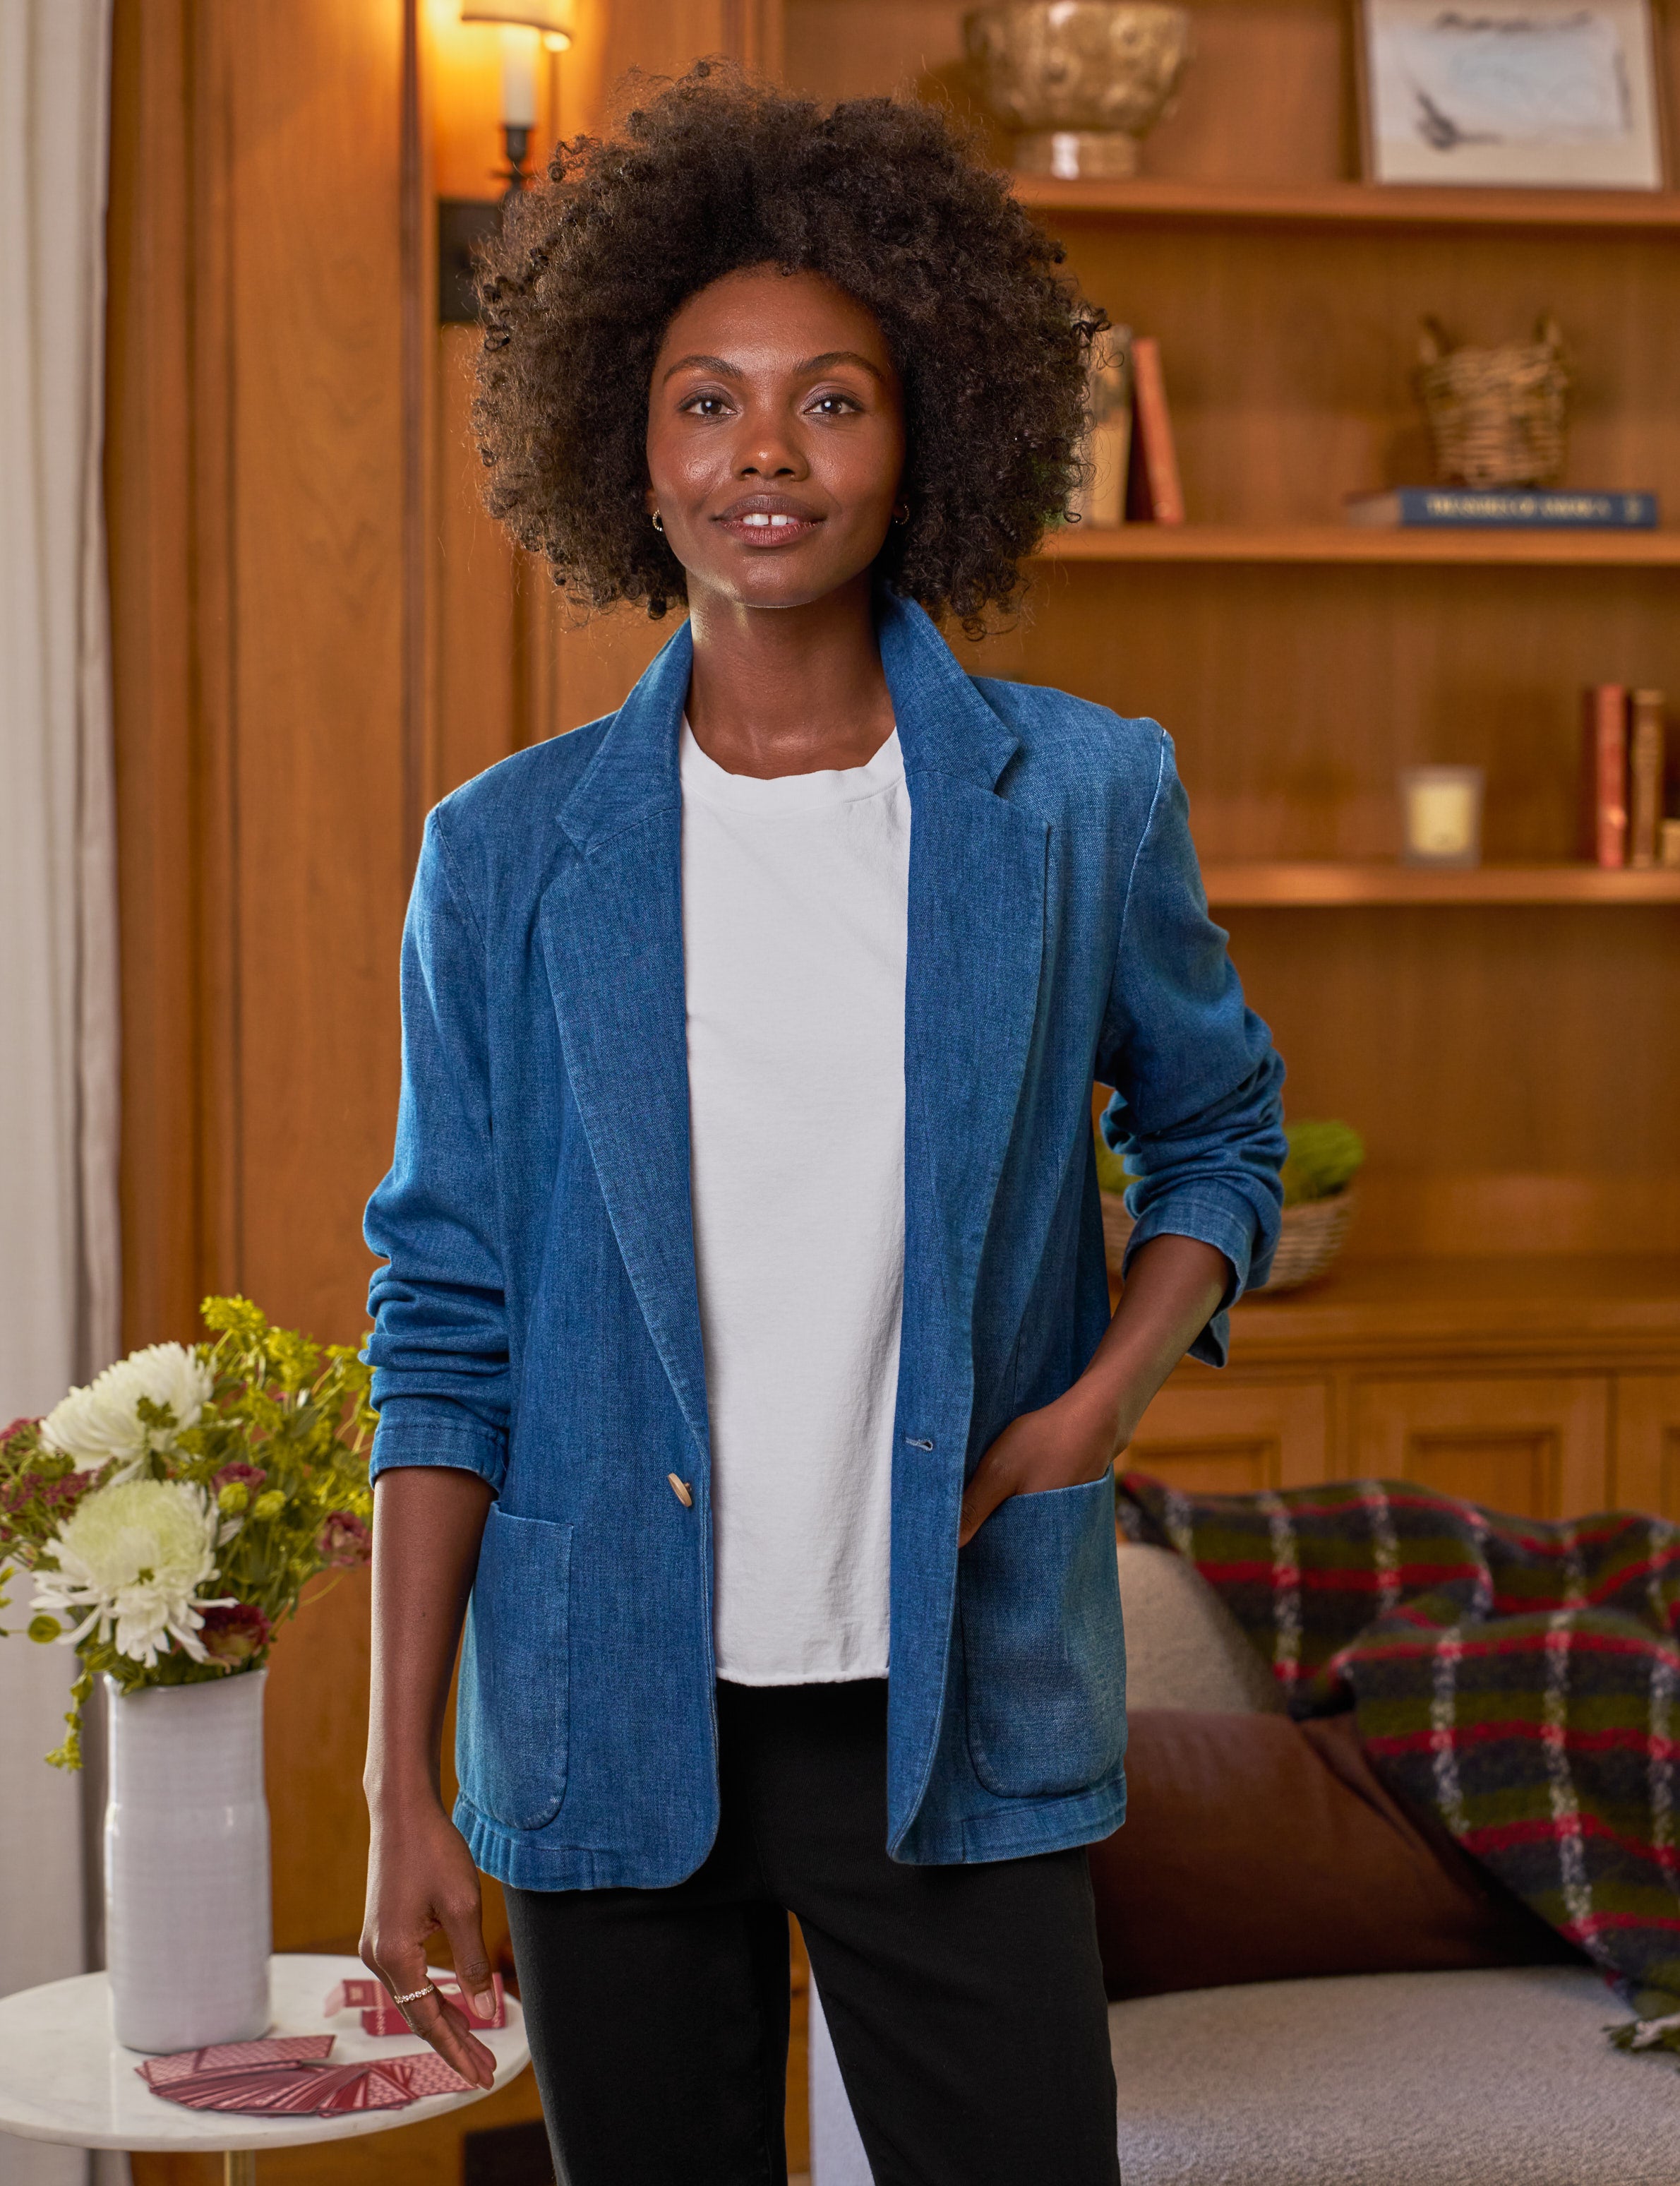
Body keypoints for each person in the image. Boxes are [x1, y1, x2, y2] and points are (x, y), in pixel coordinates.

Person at [359, 66, 1285, 2186]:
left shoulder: (1071, 801)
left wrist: (1091, 1411)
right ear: (629, 442)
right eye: (704, 400)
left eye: (830, 399)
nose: (763, 451)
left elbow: (1216, 1132)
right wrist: (400, 1787)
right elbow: (444, 1321)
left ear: (926, 431)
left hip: (951, 1707)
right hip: (603, 1702)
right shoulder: (501, 858)